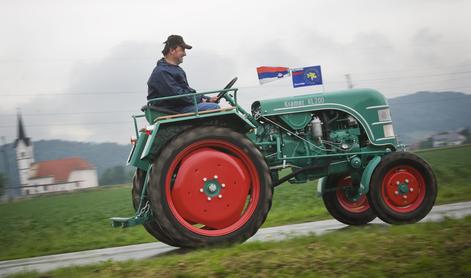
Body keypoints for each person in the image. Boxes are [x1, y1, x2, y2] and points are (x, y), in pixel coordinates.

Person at [147, 35, 219, 113]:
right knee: (213, 107)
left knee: (211, 105)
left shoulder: (175, 69)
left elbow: (186, 92)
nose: (185, 54)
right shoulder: (162, 72)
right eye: (182, 50)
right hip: (171, 109)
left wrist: (207, 98)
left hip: (179, 106)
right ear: (172, 50)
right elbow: (177, 96)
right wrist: (201, 100)